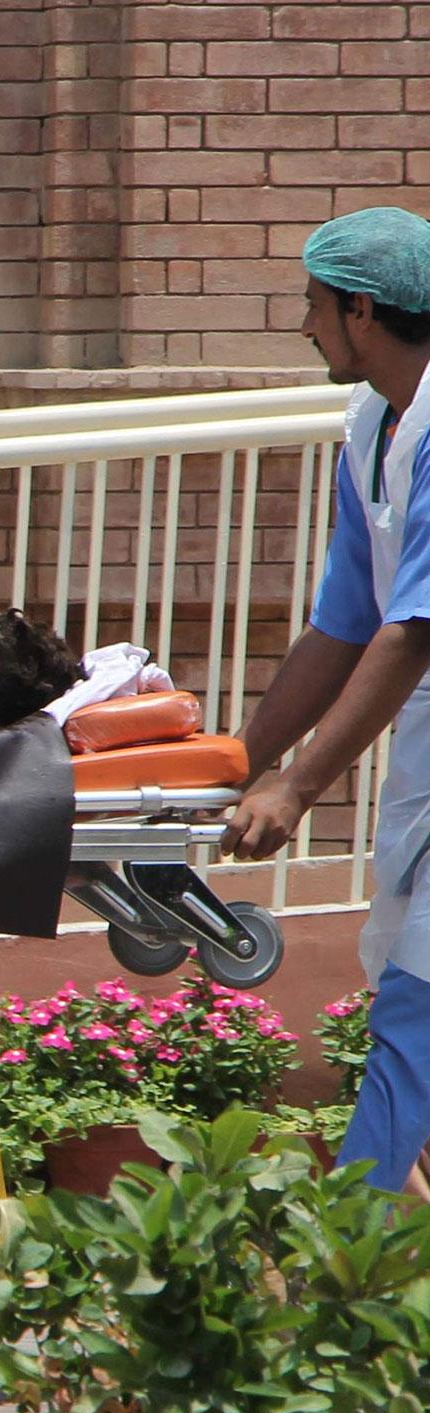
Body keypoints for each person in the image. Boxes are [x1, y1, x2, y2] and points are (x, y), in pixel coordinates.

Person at [223, 205, 430, 1194]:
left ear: (359, 310)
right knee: (408, 991)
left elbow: (413, 627)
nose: (304, 327)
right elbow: (343, 620)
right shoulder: (371, 428)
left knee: (412, 1013)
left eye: (312, 306)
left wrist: (295, 789)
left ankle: (342, 1267)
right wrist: (231, 765)